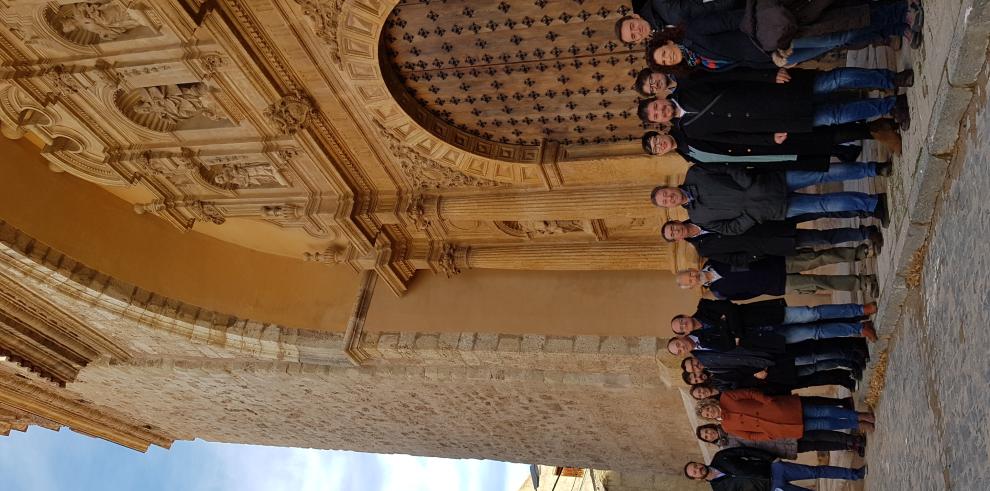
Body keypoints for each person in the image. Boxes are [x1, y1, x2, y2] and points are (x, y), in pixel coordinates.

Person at [651, 0, 920, 74]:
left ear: (668, 41)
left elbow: (731, 19)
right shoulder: (699, 61)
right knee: (836, 38)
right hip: (774, 51)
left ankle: (900, 12)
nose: (668, 57)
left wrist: (767, 39)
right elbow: (742, 61)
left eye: (663, 53)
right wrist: (773, 63)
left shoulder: (693, 32)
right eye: (665, 62)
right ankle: (896, 27)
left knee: (837, 29)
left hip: (773, 34)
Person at [637, 70, 911, 140]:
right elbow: (735, 136)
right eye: (657, 116)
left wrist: (769, 74)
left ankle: (889, 78)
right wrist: (769, 136)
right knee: (835, 116)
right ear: (661, 123)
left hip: (773, 91)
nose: (660, 112)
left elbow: (732, 75)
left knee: (833, 80)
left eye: (656, 106)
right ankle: (890, 106)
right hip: (772, 121)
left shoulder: (688, 85)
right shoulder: (690, 131)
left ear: (659, 99)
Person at [650, 163, 891, 236]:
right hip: (771, 210)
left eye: (665, 193)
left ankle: (872, 169)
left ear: (669, 187)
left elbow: (725, 168)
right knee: (823, 204)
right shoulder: (698, 217)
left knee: (821, 174)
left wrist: (747, 183)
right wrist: (751, 216)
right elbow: (729, 228)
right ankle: (872, 204)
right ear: (669, 208)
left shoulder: (695, 173)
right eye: (665, 201)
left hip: (770, 182)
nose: (669, 197)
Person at [662, 219, 883, 266]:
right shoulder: (703, 248)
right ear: (678, 239)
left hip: (766, 225)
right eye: (673, 235)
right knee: (819, 242)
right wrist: (755, 255)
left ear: (675, 222)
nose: (676, 231)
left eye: (672, 228)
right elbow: (733, 259)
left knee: (819, 229)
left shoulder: (700, 215)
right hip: (767, 246)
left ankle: (863, 231)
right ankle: (862, 237)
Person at [676, 253, 878, 300]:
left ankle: (858, 252)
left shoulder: (714, 259)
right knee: (818, 282)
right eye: (691, 280)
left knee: (817, 258)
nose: (695, 276)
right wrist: (764, 286)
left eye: (691, 273)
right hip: (776, 284)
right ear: (693, 286)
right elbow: (747, 295)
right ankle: (862, 282)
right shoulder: (719, 292)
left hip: (775, 263)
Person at [696, 389, 875, 440]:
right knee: (824, 425)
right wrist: (768, 434)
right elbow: (750, 436)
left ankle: (860, 415)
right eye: (707, 415)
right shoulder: (727, 427)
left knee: (824, 411)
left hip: (781, 409)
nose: (710, 413)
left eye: (708, 409)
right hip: (779, 428)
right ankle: (858, 425)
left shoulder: (727, 397)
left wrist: (767, 400)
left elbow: (750, 394)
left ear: (710, 404)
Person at [684, 447, 866, 490]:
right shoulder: (719, 489)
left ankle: (855, 474)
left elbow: (746, 450)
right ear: (696, 479)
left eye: (695, 466)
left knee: (814, 471)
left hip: (775, 470)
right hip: (773, 489)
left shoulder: (720, 457)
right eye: (694, 472)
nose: (698, 469)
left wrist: (772, 459)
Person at [696, 423, 867, 458]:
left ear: (710, 427)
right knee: (815, 446)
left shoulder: (728, 425)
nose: (709, 435)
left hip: (778, 434)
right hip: (776, 449)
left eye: (707, 432)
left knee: (815, 435)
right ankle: (847, 445)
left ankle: (853, 439)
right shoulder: (724, 450)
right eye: (706, 437)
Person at [615, 0, 742, 44]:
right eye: (633, 36)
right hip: (736, 25)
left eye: (632, 26)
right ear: (637, 41)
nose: (637, 31)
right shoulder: (663, 42)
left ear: (636, 17)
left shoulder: (659, 2)